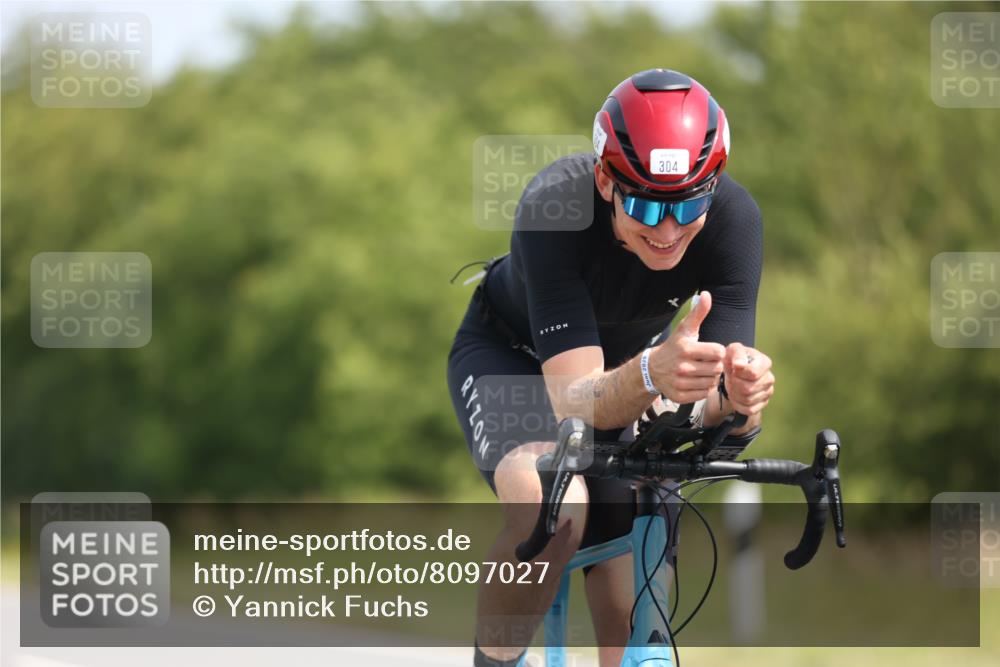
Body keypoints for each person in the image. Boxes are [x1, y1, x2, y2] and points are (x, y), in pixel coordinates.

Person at [447, 68, 774, 667]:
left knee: (639, 547)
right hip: (512, 360)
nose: (669, 231)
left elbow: (711, 408)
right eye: (647, 207)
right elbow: (574, 399)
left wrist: (739, 398)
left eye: (689, 205)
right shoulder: (555, 206)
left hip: (625, 368)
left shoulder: (734, 222)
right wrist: (653, 372)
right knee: (552, 505)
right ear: (605, 179)